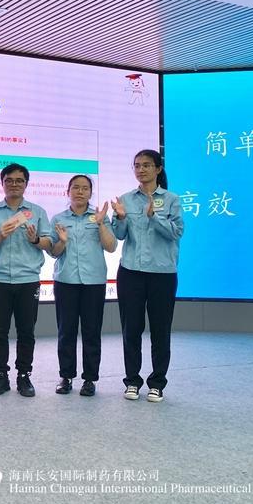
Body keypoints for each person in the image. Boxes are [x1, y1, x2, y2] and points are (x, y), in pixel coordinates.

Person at [111, 149, 183, 403]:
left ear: (158, 169)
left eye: (146, 165)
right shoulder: (126, 199)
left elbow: (176, 232)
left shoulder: (172, 199)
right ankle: (132, 381)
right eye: (137, 165)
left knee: (160, 330)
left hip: (162, 273)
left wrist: (154, 217)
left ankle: (157, 383)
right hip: (130, 272)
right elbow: (119, 235)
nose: (141, 170)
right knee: (131, 329)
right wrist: (120, 218)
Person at [0, 163, 52, 397]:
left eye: (19, 180)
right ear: (2, 183)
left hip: (28, 280)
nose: (14, 184)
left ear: (26, 184)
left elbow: (49, 243)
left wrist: (35, 239)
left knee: (26, 330)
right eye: (9, 180)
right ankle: (0, 375)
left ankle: (24, 375)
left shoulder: (37, 211)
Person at [48, 175, 117, 397]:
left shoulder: (99, 217)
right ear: (67, 191)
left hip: (93, 282)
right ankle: (66, 376)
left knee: (91, 331)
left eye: (85, 188)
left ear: (90, 193)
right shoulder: (58, 218)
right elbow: (53, 252)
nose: (80, 192)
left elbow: (111, 247)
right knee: (66, 331)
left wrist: (101, 224)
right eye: (75, 188)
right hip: (66, 281)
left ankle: (90, 379)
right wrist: (62, 242)